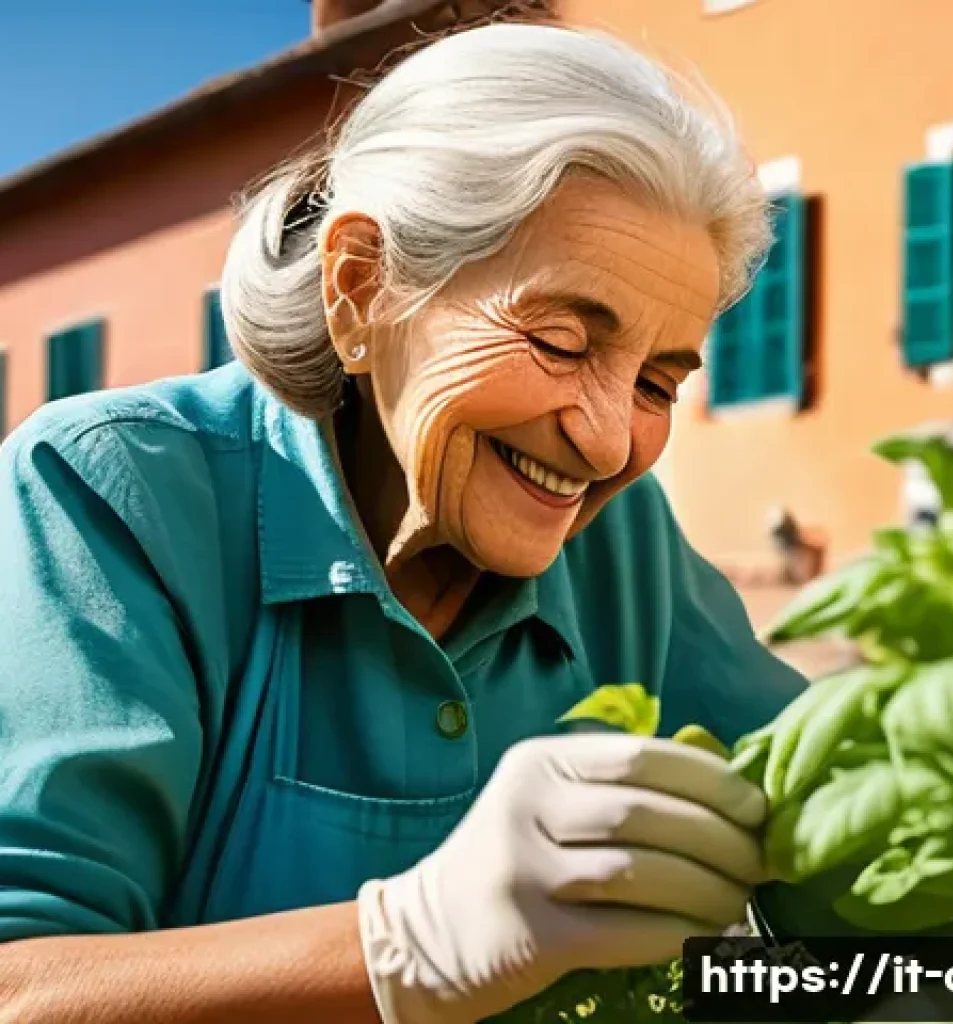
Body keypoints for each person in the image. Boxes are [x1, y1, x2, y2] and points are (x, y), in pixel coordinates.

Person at [0, 21, 807, 1024]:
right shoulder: (112, 487)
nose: (607, 443)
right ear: (361, 288)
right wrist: (411, 943)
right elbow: (21, 987)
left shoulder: (624, 542)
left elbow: (827, 827)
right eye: (560, 341)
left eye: (655, 382)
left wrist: (922, 980)